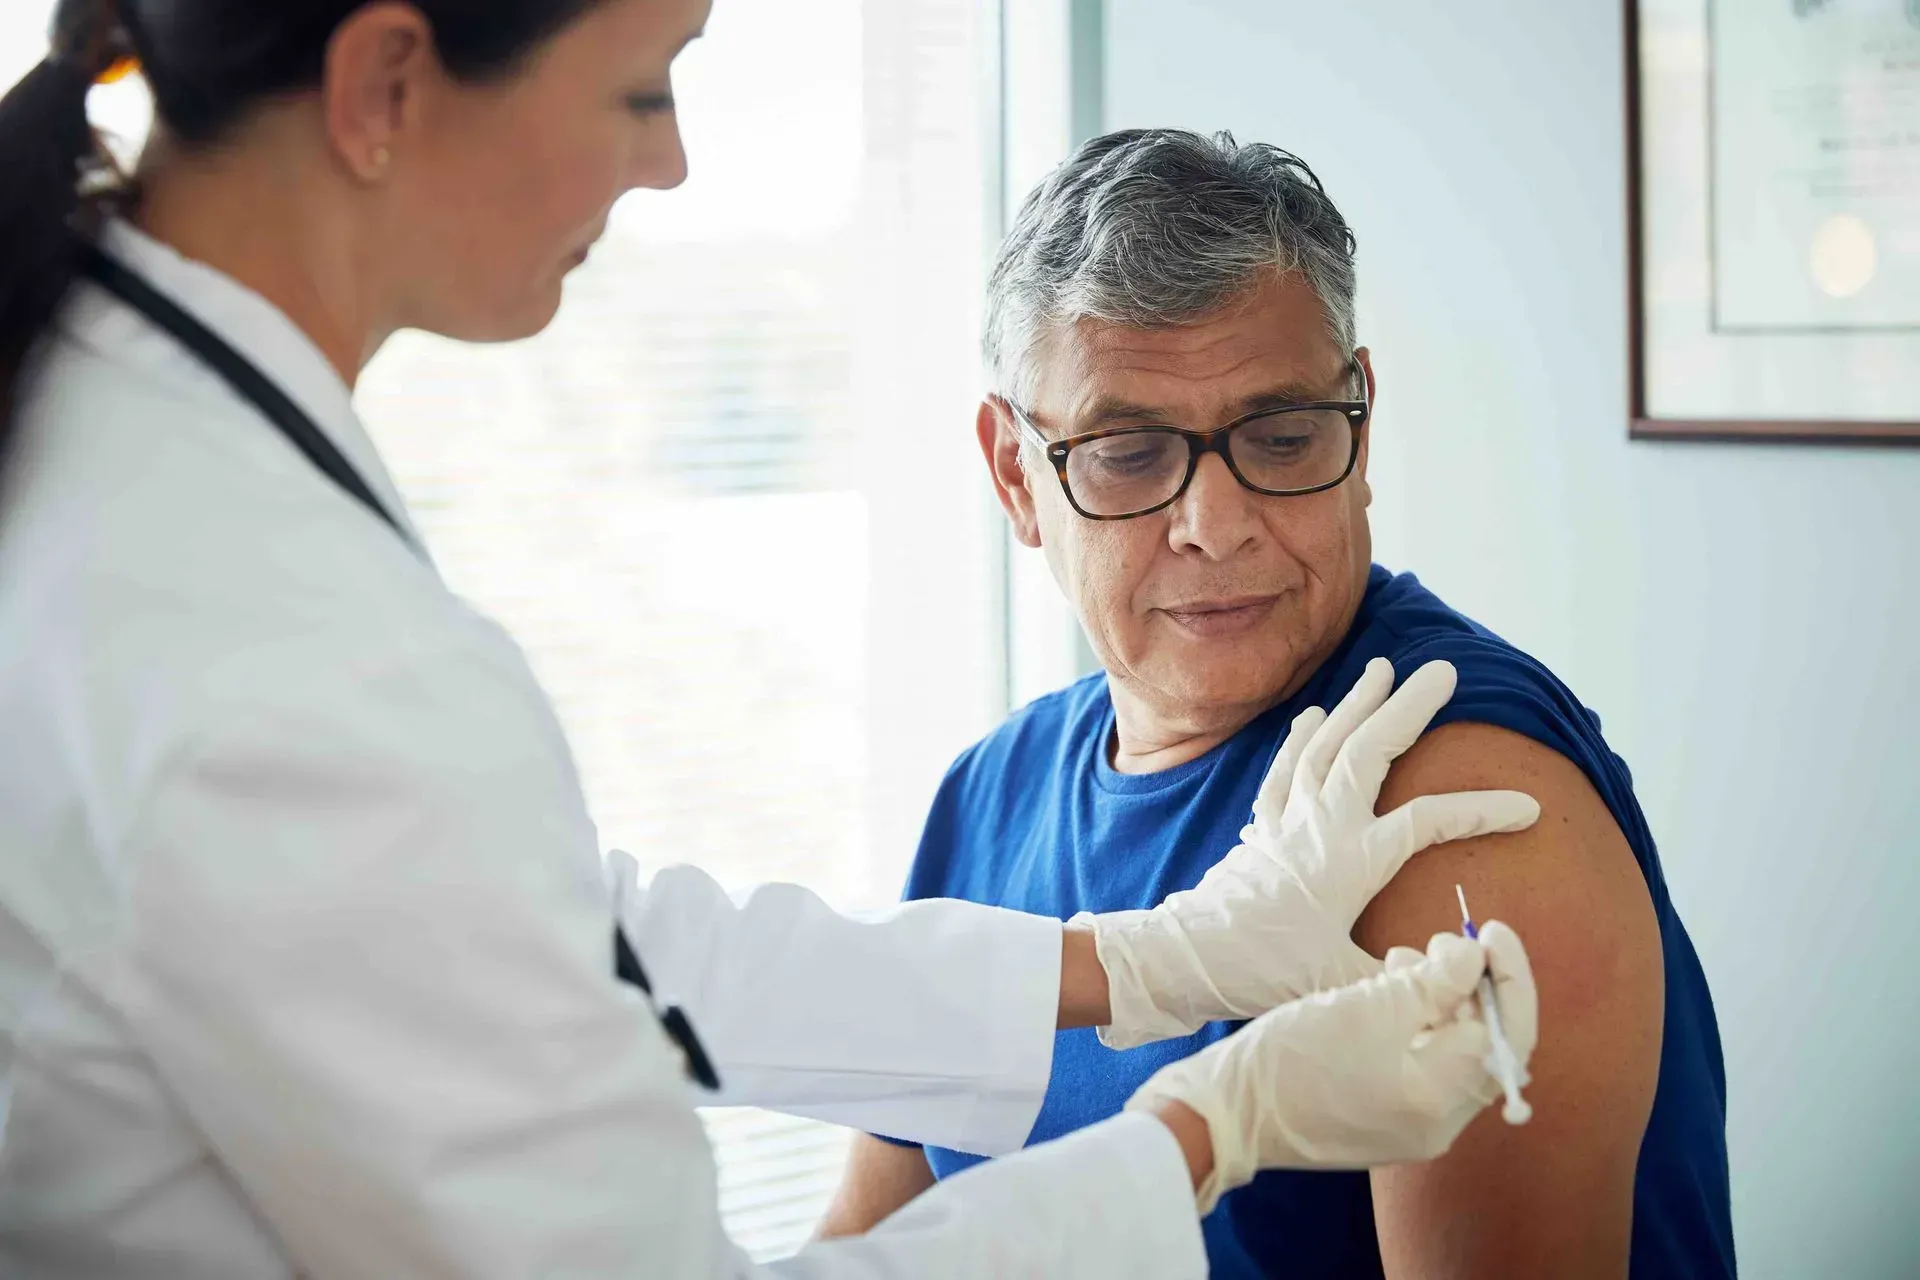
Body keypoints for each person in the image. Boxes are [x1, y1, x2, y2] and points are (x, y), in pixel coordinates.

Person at [0, 4, 1548, 1277]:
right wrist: (1212, 1122)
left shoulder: (138, 461)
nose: (672, 162)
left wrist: (1152, 965)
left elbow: (577, 947)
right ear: (387, 79)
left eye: (1274, 432)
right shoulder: (265, 640)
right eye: (641, 83)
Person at [820, 129, 1736, 1279]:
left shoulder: (1455, 799)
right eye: (1127, 452)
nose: (1215, 520)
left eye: (1283, 435)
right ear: (1015, 473)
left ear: (1358, 426)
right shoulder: (986, 793)